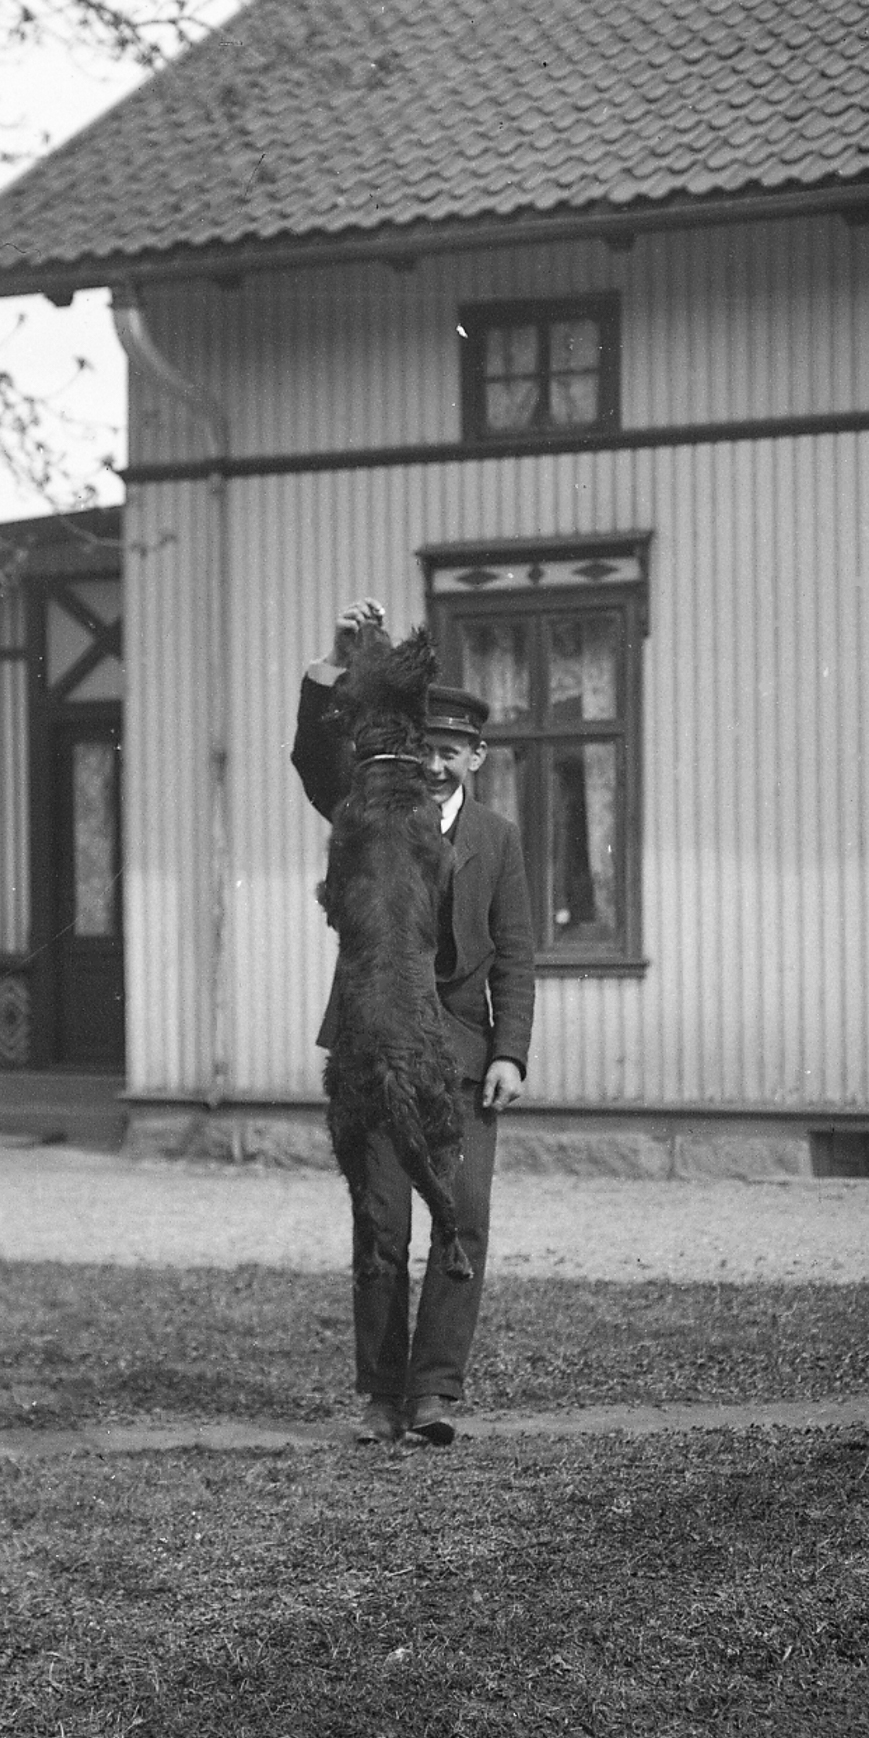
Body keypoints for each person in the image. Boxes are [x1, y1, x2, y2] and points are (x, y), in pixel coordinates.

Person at [292, 596, 536, 1447]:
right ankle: (379, 1395)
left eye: (450, 752)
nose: (433, 764)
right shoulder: (363, 803)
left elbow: (515, 953)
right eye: (425, 747)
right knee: (382, 1223)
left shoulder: (497, 839)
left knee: (463, 1219)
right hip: (372, 1047)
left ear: (475, 757)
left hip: (464, 1057)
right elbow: (311, 755)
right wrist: (337, 660)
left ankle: (434, 1391)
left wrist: (510, 1053)